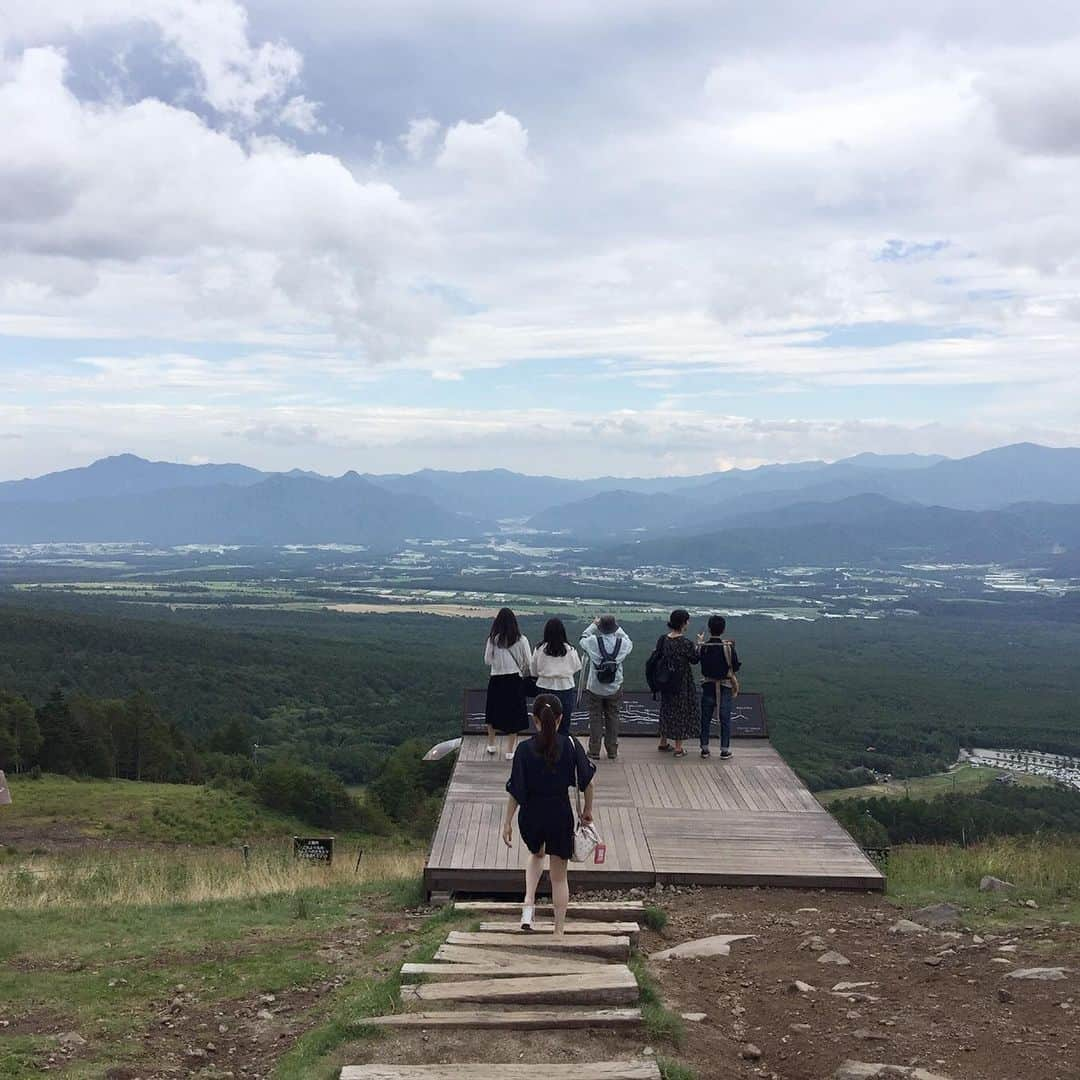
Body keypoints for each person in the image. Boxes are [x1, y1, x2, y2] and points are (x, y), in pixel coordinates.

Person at [502, 693, 596, 934]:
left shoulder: (523, 750)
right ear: (560, 718)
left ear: (535, 720)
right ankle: (559, 931)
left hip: (531, 813)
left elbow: (515, 788)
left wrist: (507, 823)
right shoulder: (571, 745)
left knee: (536, 854)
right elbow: (588, 783)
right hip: (559, 813)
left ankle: (528, 904)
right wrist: (587, 811)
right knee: (559, 876)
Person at [580, 614, 633, 761]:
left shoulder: (592, 642)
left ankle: (594, 750)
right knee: (613, 717)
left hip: (595, 686)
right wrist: (618, 628)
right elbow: (629, 640)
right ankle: (612, 750)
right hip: (615, 686)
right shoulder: (622, 643)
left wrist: (593, 625)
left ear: (600, 628)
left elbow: (582, 638)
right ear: (614, 628)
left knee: (595, 717)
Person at [483, 607, 531, 760]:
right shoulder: (522, 639)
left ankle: (491, 744)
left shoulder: (493, 639)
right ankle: (510, 750)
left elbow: (487, 661)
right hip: (515, 680)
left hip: (496, 679)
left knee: (492, 711)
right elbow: (528, 661)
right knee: (514, 713)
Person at [656, 608, 700, 757]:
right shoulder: (685, 642)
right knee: (680, 710)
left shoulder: (664, 639)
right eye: (687, 620)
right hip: (682, 681)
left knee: (666, 708)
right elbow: (695, 659)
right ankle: (678, 747)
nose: (688, 623)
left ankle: (663, 741)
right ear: (682, 623)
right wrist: (699, 644)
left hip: (665, 680)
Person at [699, 615, 741, 760]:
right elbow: (735, 666)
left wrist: (699, 643)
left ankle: (704, 748)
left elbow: (700, 663)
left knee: (705, 718)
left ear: (709, 629)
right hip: (725, 685)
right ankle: (724, 750)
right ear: (723, 629)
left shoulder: (704, 647)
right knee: (725, 718)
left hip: (708, 685)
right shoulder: (727, 647)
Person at [530, 618, 582, 734]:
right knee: (563, 724)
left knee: (543, 722)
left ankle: (543, 748)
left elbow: (533, 670)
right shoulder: (570, 649)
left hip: (544, 687)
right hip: (565, 688)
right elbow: (577, 667)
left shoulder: (539, 649)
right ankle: (562, 749)